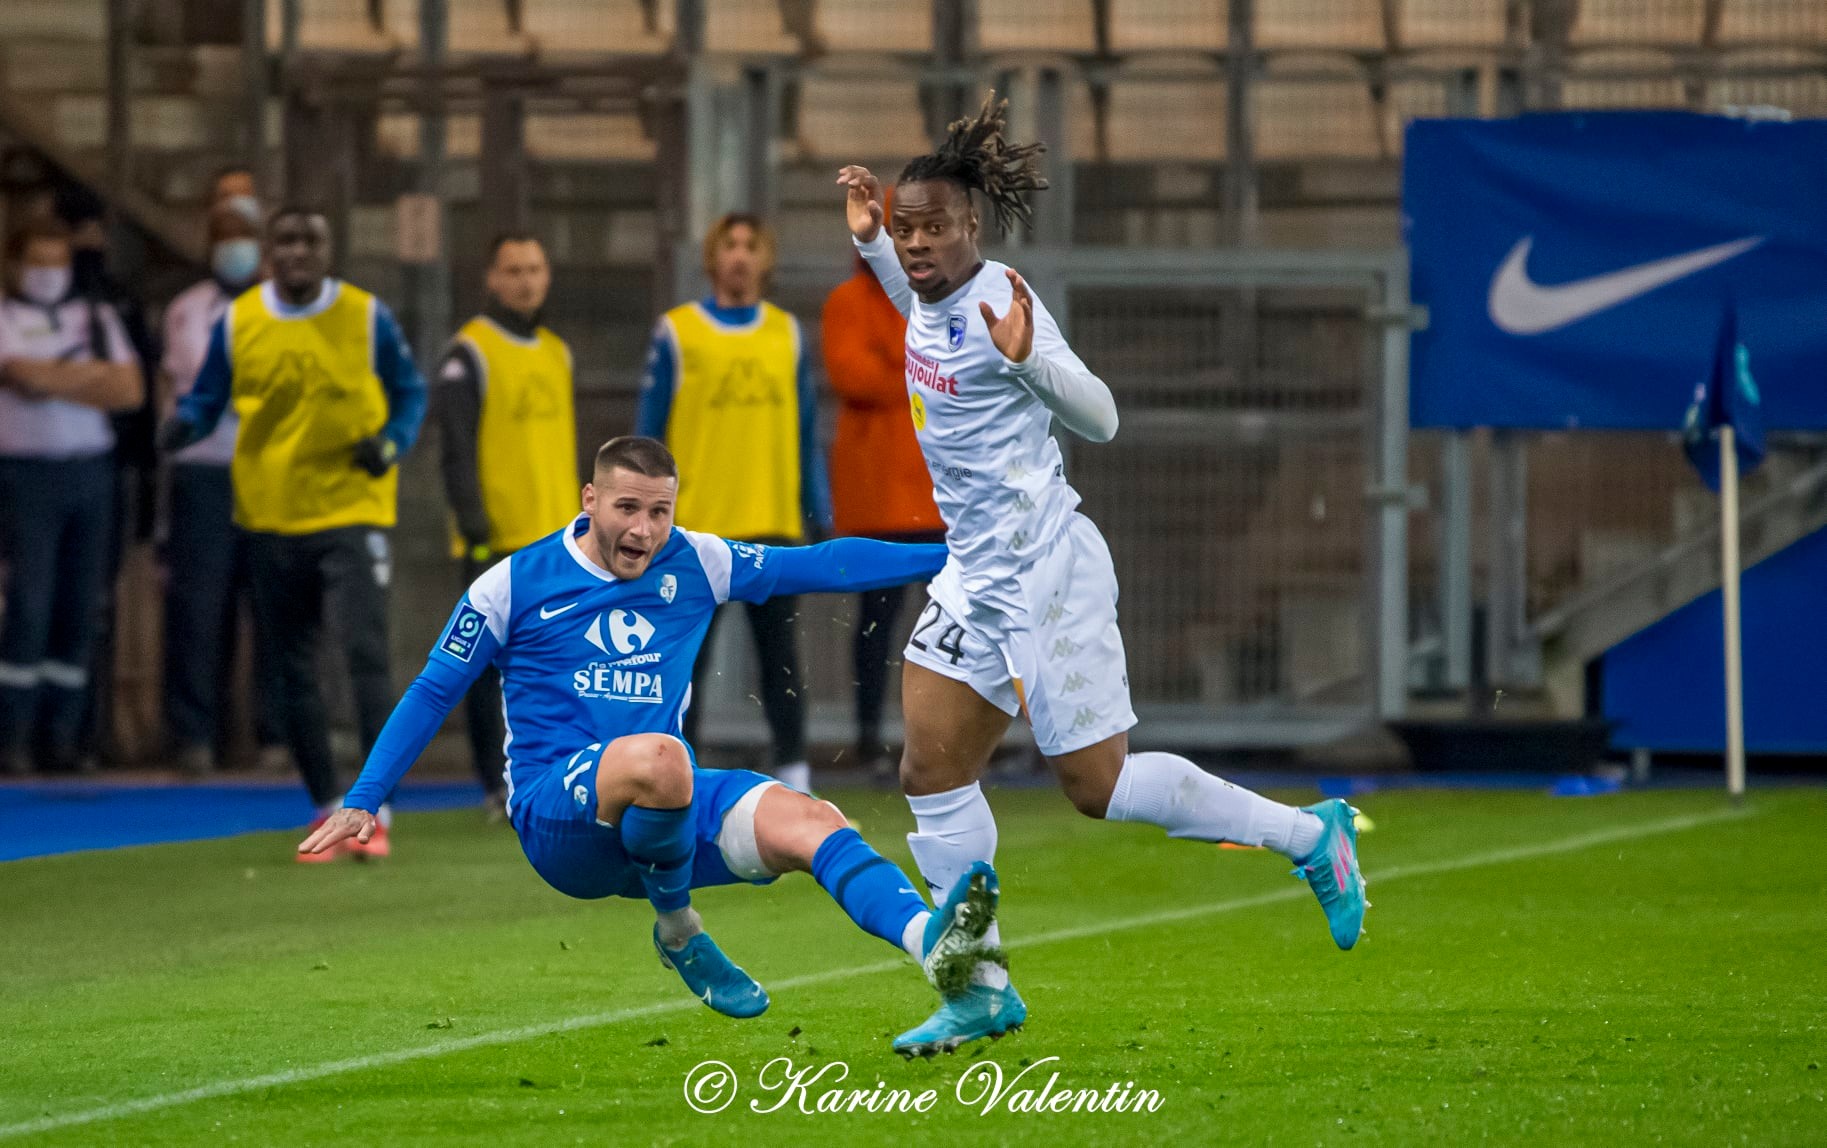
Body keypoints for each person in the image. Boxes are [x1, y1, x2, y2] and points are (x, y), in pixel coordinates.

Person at [835, 96, 1369, 1050]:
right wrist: (874, 241)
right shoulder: (918, 289)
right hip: (974, 577)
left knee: (1096, 785)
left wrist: (1032, 358)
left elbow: (1102, 418)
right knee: (928, 765)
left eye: (931, 229)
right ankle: (980, 987)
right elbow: (913, 300)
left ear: (973, 229)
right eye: (905, 229)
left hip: (1046, 572)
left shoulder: (1003, 302)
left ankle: (1307, 837)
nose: (916, 245)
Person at [298, 436, 1005, 1054]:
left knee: (816, 822)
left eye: (659, 511)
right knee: (663, 758)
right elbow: (431, 690)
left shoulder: (697, 561)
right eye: (627, 509)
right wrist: (365, 798)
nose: (644, 529)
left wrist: (956, 558)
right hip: (558, 819)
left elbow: (817, 565)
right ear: (589, 500)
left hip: (662, 803)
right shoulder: (513, 583)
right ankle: (679, 926)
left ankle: (945, 959)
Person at [161, 206, 428, 858]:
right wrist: (185, 426)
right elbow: (207, 397)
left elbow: (409, 392)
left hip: (351, 510)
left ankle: (376, 808)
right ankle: (326, 806)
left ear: (329, 249)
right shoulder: (240, 321)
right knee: (291, 666)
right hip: (271, 513)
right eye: (287, 240)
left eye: (311, 238)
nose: (299, 250)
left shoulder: (366, 317)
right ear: (269, 252)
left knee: (364, 651)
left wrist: (390, 444)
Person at [636, 213, 831, 795]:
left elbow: (805, 429)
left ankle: (795, 773)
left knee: (782, 661)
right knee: (682, 665)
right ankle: (676, 776)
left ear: (765, 259)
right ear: (712, 258)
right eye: (730, 245)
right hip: (697, 531)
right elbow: (647, 435)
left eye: (752, 245)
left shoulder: (787, 333)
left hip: (772, 526)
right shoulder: (676, 332)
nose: (741, 256)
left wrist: (817, 512)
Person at [435, 232, 578, 820]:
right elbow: (455, 450)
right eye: (512, 270)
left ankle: (558, 776)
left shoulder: (556, 351)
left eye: (534, 269)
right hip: (498, 541)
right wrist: (475, 528)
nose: (524, 280)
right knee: (488, 669)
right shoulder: (467, 352)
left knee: (562, 666)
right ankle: (497, 785)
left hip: (558, 539)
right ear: (492, 279)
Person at [0, 217, 145, 774]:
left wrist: (52, 375)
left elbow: (128, 389)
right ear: (16, 266)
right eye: (37, 264)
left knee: (80, 605)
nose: (47, 276)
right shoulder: (8, 314)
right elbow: (19, 375)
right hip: (25, 476)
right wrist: (87, 378)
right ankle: (14, 734)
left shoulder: (98, 316)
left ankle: (64, 735)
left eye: (56, 264)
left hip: (90, 474)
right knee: (30, 603)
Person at [158, 201, 283, 776]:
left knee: (276, 608)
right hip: (206, 474)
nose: (236, 247)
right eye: (225, 237)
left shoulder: (285, 310)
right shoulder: (187, 312)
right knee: (200, 608)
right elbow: (206, 385)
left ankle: (274, 734)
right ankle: (194, 735)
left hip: (272, 476)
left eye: (245, 238)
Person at [821, 245, 945, 774]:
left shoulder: (936, 301)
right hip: (877, 498)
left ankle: (949, 739)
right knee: (878, 622)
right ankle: (870, 740)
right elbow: (854, 376)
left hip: (936, 492)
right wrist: (919, 369)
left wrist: (902, 365)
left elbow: (944, 373)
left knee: (952, 623)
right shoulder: (848, 301)